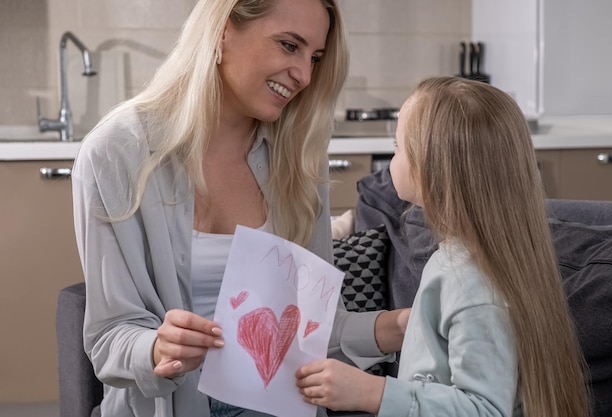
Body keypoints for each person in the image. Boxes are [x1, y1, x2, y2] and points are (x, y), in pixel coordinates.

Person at [71, 0, 410, 416]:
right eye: (289, 46)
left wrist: (401, 326)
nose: (304, 75)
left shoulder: (300, 155)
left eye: (315, 57)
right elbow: (109, 338)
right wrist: (157, 347)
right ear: (223, 31)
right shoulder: (116, 153)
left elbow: (314, 333)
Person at [295, 76, 592, 417]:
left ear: (431, 168)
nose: (392, 160)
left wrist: (372, 392)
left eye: (397, 147)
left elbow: (484, 409)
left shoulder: (471, 283)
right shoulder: (471, 262)